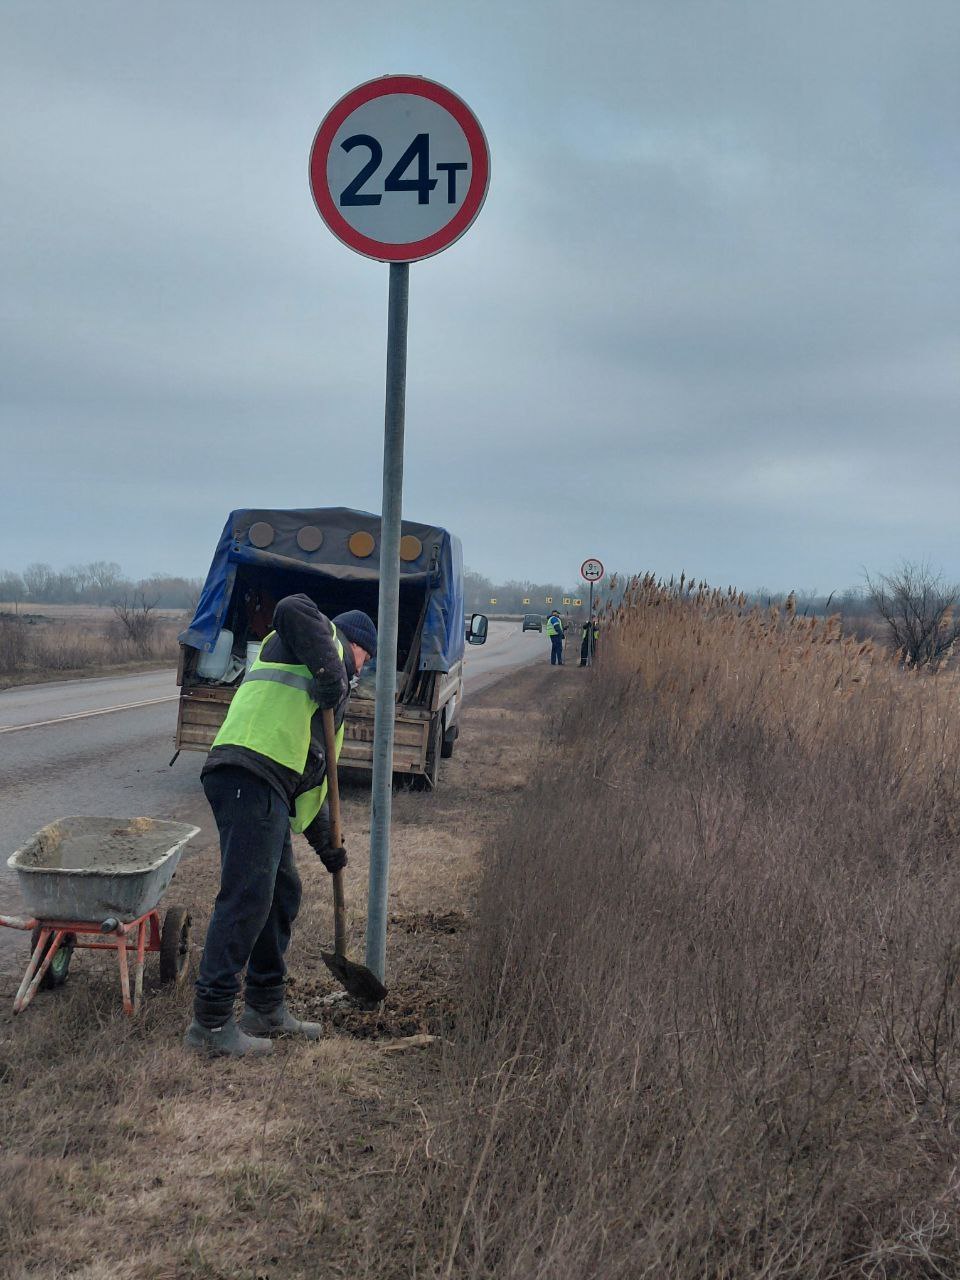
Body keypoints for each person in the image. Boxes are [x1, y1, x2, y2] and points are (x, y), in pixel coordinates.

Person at [184, 596, 377, 1058]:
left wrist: (327, 844)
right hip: (248, 768)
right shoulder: (320, 638)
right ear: (354, 643)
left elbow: (309, 788)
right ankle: (210, 1022)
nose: (362, 668)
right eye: (364, 657)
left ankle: (265, 1006)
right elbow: (291, 607)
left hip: (267, 781)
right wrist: (331, 669)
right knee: (247, 894)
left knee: (281, 893)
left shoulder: (332, 708)